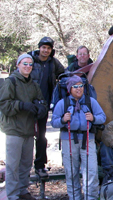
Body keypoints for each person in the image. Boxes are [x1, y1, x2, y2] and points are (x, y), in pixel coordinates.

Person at [0, 54, 47, 200]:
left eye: (30, 64)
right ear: (18, 64)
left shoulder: (33, 85)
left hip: (28, 129)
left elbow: (42, 101)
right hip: (14, 129)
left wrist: (41, 108)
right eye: (25, 63)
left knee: (26, 164)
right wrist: (21, 105)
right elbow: (4, 105)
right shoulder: (11, 82)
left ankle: (22, 190)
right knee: (13, 165)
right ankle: (13, 195)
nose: (28, 66)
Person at [51, 75, 106, 199]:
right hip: (68, 139)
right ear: (69, 89)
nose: (78, 89)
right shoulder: (62, 103)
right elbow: (54, 122)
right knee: (71, 172)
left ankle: (90, 197)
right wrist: (63, 120)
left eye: (81, 86)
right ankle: (75, 197)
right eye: (75, 86)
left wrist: (94, 118)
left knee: (91, 171)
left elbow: (102, 117)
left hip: (88, 138)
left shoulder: (90, 101)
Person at [28, 36, 65, 177]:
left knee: (41, 136)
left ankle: (40, 164)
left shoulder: (53, 63)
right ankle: (23, 165)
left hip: (43, 104)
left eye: (48, 48)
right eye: (43, 47)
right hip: (29, 103)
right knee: (25, 135)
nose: (45, 50)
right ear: (39, 48)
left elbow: (64, 74)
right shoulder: (30, 60)